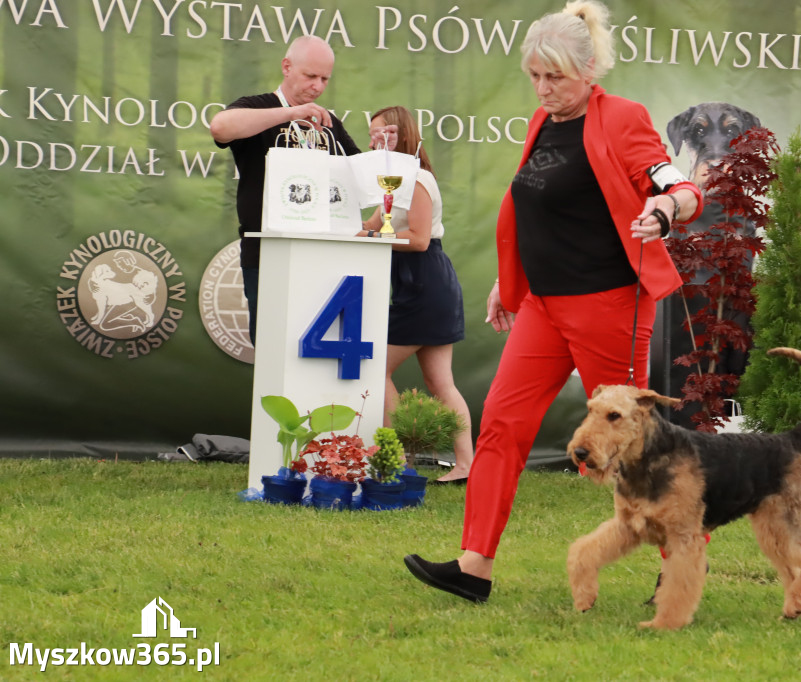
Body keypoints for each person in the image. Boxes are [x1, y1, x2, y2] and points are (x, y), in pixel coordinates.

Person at [403, 0, 703, 603]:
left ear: (588, 69)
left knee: (634, 446)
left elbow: (678, 185)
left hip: (610, 307)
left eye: (555, 77)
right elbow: (534, 211)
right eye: (535, 76)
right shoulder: (544, 123)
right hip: (543, 306)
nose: (543, 89)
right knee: (500, 429)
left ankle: (677, 564)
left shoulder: (622, 117)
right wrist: (509, 283)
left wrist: (664, 210)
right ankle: (474, 566)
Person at [209, 35, 395, 344]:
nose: (318, 86)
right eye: (311, 76)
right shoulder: (260, 107)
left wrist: (380, 153)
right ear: (286, 67)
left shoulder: (328, 122)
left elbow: (359, 179)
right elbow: (220, 127)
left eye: (325, 79)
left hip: (325, 253)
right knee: (273, 347)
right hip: (269, 252)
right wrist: (290, 113)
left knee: (317, 352)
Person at [358, 105, 474, 484]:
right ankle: (463, 465)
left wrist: (372, 236)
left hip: (427, 285)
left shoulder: (419, 178)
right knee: (440, 383)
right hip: (416, 286)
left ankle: (398, 460)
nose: (378, 141)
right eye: (374, 134)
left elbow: (420, 239)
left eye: (386, 134)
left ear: (405, 135)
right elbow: (370, 224)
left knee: (377, 368)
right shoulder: (392, 182)